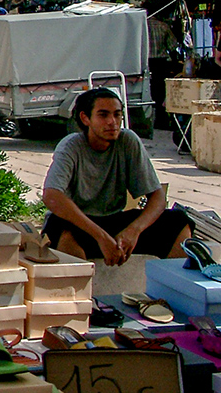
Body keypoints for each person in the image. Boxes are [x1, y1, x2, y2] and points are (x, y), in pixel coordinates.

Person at [42, 87, 192, 266]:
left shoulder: (128, 141)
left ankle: (173, 287)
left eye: (117, 115)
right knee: (62, 229)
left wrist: (133, 231)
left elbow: (157, 196)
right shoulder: (71, 147)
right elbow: (52, 196)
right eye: (103, 115)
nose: (112, 122)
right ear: (85, 118)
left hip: (113, 220)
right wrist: (101, 237)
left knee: (178, 221)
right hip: (79, 222)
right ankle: (77, 290)